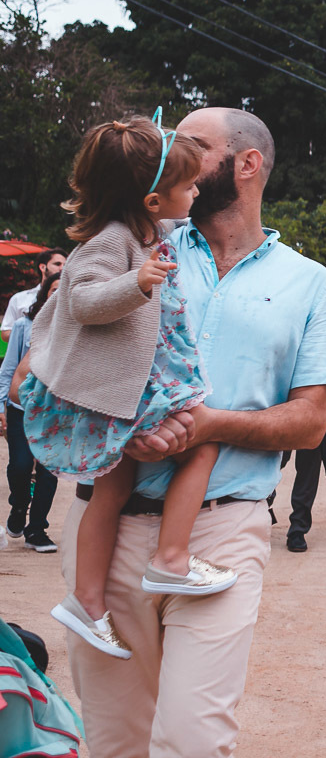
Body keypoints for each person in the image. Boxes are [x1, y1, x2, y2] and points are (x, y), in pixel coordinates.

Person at [50, 107, 326, 756]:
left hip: (223, 531)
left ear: (247, 165)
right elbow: (56, 357)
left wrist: (209, 425)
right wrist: (118, 423)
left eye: (194, 145)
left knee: (192, 739)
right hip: (109, 521)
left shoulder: (309, 284)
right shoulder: (131, 245)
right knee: (116, 739)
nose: (174, 154)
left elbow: (312, 419)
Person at [17, 115, 233, 661]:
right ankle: (170, 560)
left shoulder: (150, 232)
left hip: (140, 382)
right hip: (129, 389)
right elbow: (81, 300)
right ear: (154, 201)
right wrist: (134, 283)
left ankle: (88, 599)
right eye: (187, 184)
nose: (198, 189)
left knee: (112, 488)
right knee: (202, 443)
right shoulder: (111, 242)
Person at [1, 273, 61, 553]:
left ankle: (37, 529)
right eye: (54, 291)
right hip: (20, 409)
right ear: (45, 295)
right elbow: (9, 367)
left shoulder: (80, 330)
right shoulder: (25, 325)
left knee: (49, 473)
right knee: (21, 466)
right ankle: (18, 506)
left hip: (56, 413)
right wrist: (0, 404)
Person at [1, 248, 66, 342]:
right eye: (57, 264)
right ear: (43, 267)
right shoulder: (19, 299)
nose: (62, 268)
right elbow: (5, 333)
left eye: (65, 265)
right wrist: (28, 332)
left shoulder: (70, 299)